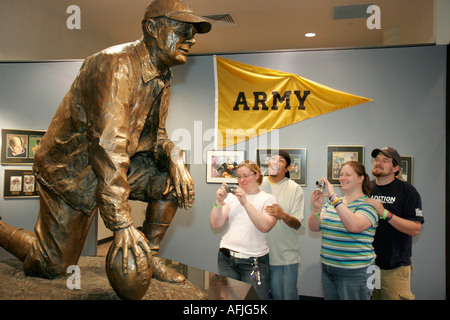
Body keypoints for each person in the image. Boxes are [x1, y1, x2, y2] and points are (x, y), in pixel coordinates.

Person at [0, 0, 211, 285]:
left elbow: (156, 137)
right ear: (151, 27)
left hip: (112, 165)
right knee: (51, 265)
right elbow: (108, 146)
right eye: (181, 29)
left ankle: (148, 255)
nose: (191, 39)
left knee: (173, 180)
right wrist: (121, 222)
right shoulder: (114, 65)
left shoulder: (161, 75)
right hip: (71, 176)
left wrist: (175, 158)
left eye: (192, 32)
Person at [309, 161, 378, 300]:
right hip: (328, 269)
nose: (342, 178)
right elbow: (314, 227)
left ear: (361, 178)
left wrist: (333, 197)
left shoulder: (368, 205)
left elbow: (354, 226)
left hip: (357, 272)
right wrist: (317, 209)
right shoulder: (333, 203)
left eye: (348, 175)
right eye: (341, 175)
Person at [210, 160, 277, 299]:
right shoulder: (231, 198)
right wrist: (219, 201)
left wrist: (245, 202)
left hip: (254, 262)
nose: (242, 180)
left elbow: (265, 226)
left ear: (256, 175)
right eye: (239, 177)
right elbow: (216, 223)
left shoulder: (268, 199)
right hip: (226, 258)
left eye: (246, 176)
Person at [367, 147, 424, 300]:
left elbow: (415, 229)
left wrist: (385, 213)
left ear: (396, 168)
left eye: (385, 160)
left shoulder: (408, 191)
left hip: (394, 267)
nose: (378, 163)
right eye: (377, 159)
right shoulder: (366, 188)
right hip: (368, 265)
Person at [260, 150, 304, 300]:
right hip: (257, 256)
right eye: (272, 159)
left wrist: (282, 215)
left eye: (280, 160)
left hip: (283, 258)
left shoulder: (295, 189)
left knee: (284, 297)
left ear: (287, 168)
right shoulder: (258, 184)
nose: (274, 162)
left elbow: (297, 224)